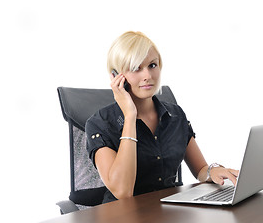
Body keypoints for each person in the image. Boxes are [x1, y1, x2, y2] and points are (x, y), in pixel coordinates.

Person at [86, 31, 239, 203]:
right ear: (116, 76)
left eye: (152, 65)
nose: (148, 76)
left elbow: (201, 170)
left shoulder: (175, 115)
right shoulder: (99, 124)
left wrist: (213, 171)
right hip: (124, 216)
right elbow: (123, 192)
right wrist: (130, 116)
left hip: (168, 211)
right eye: (136, 68)